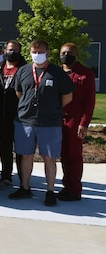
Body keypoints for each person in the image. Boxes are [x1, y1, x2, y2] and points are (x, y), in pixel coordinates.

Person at [10, 39, 75, 207]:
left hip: (49, 123)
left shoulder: (57, 72)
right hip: (25, 121)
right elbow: (19, 92)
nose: (36, 55)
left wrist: (52, 108)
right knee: (25, 156)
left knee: (49, 158)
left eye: (40, 52)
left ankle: (50, 191)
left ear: (48, 52)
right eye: (34, 51)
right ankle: (25, 187)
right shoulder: (23, 71)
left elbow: (68, 96)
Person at [59, 43, 96, 201]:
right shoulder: (57, 72)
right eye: (64, 52)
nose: (67, 55)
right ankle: (66, 185)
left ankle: (75, 190)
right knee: (63, 155)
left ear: (77, 55)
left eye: (70, 53)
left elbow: (90, 102)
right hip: (58, 119)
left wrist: (84, 123)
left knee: (74, 155)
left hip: (75, 120)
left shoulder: (85, 74)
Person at [0, 39, 26, 190]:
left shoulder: (26, 69)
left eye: (15, 50)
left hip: (19, 116)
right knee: (4, 148)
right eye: (10, 50)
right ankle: (6, 176)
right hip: (0, 116)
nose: (12, 52)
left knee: (21, 150)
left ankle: (24, 179)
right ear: (5, 51)